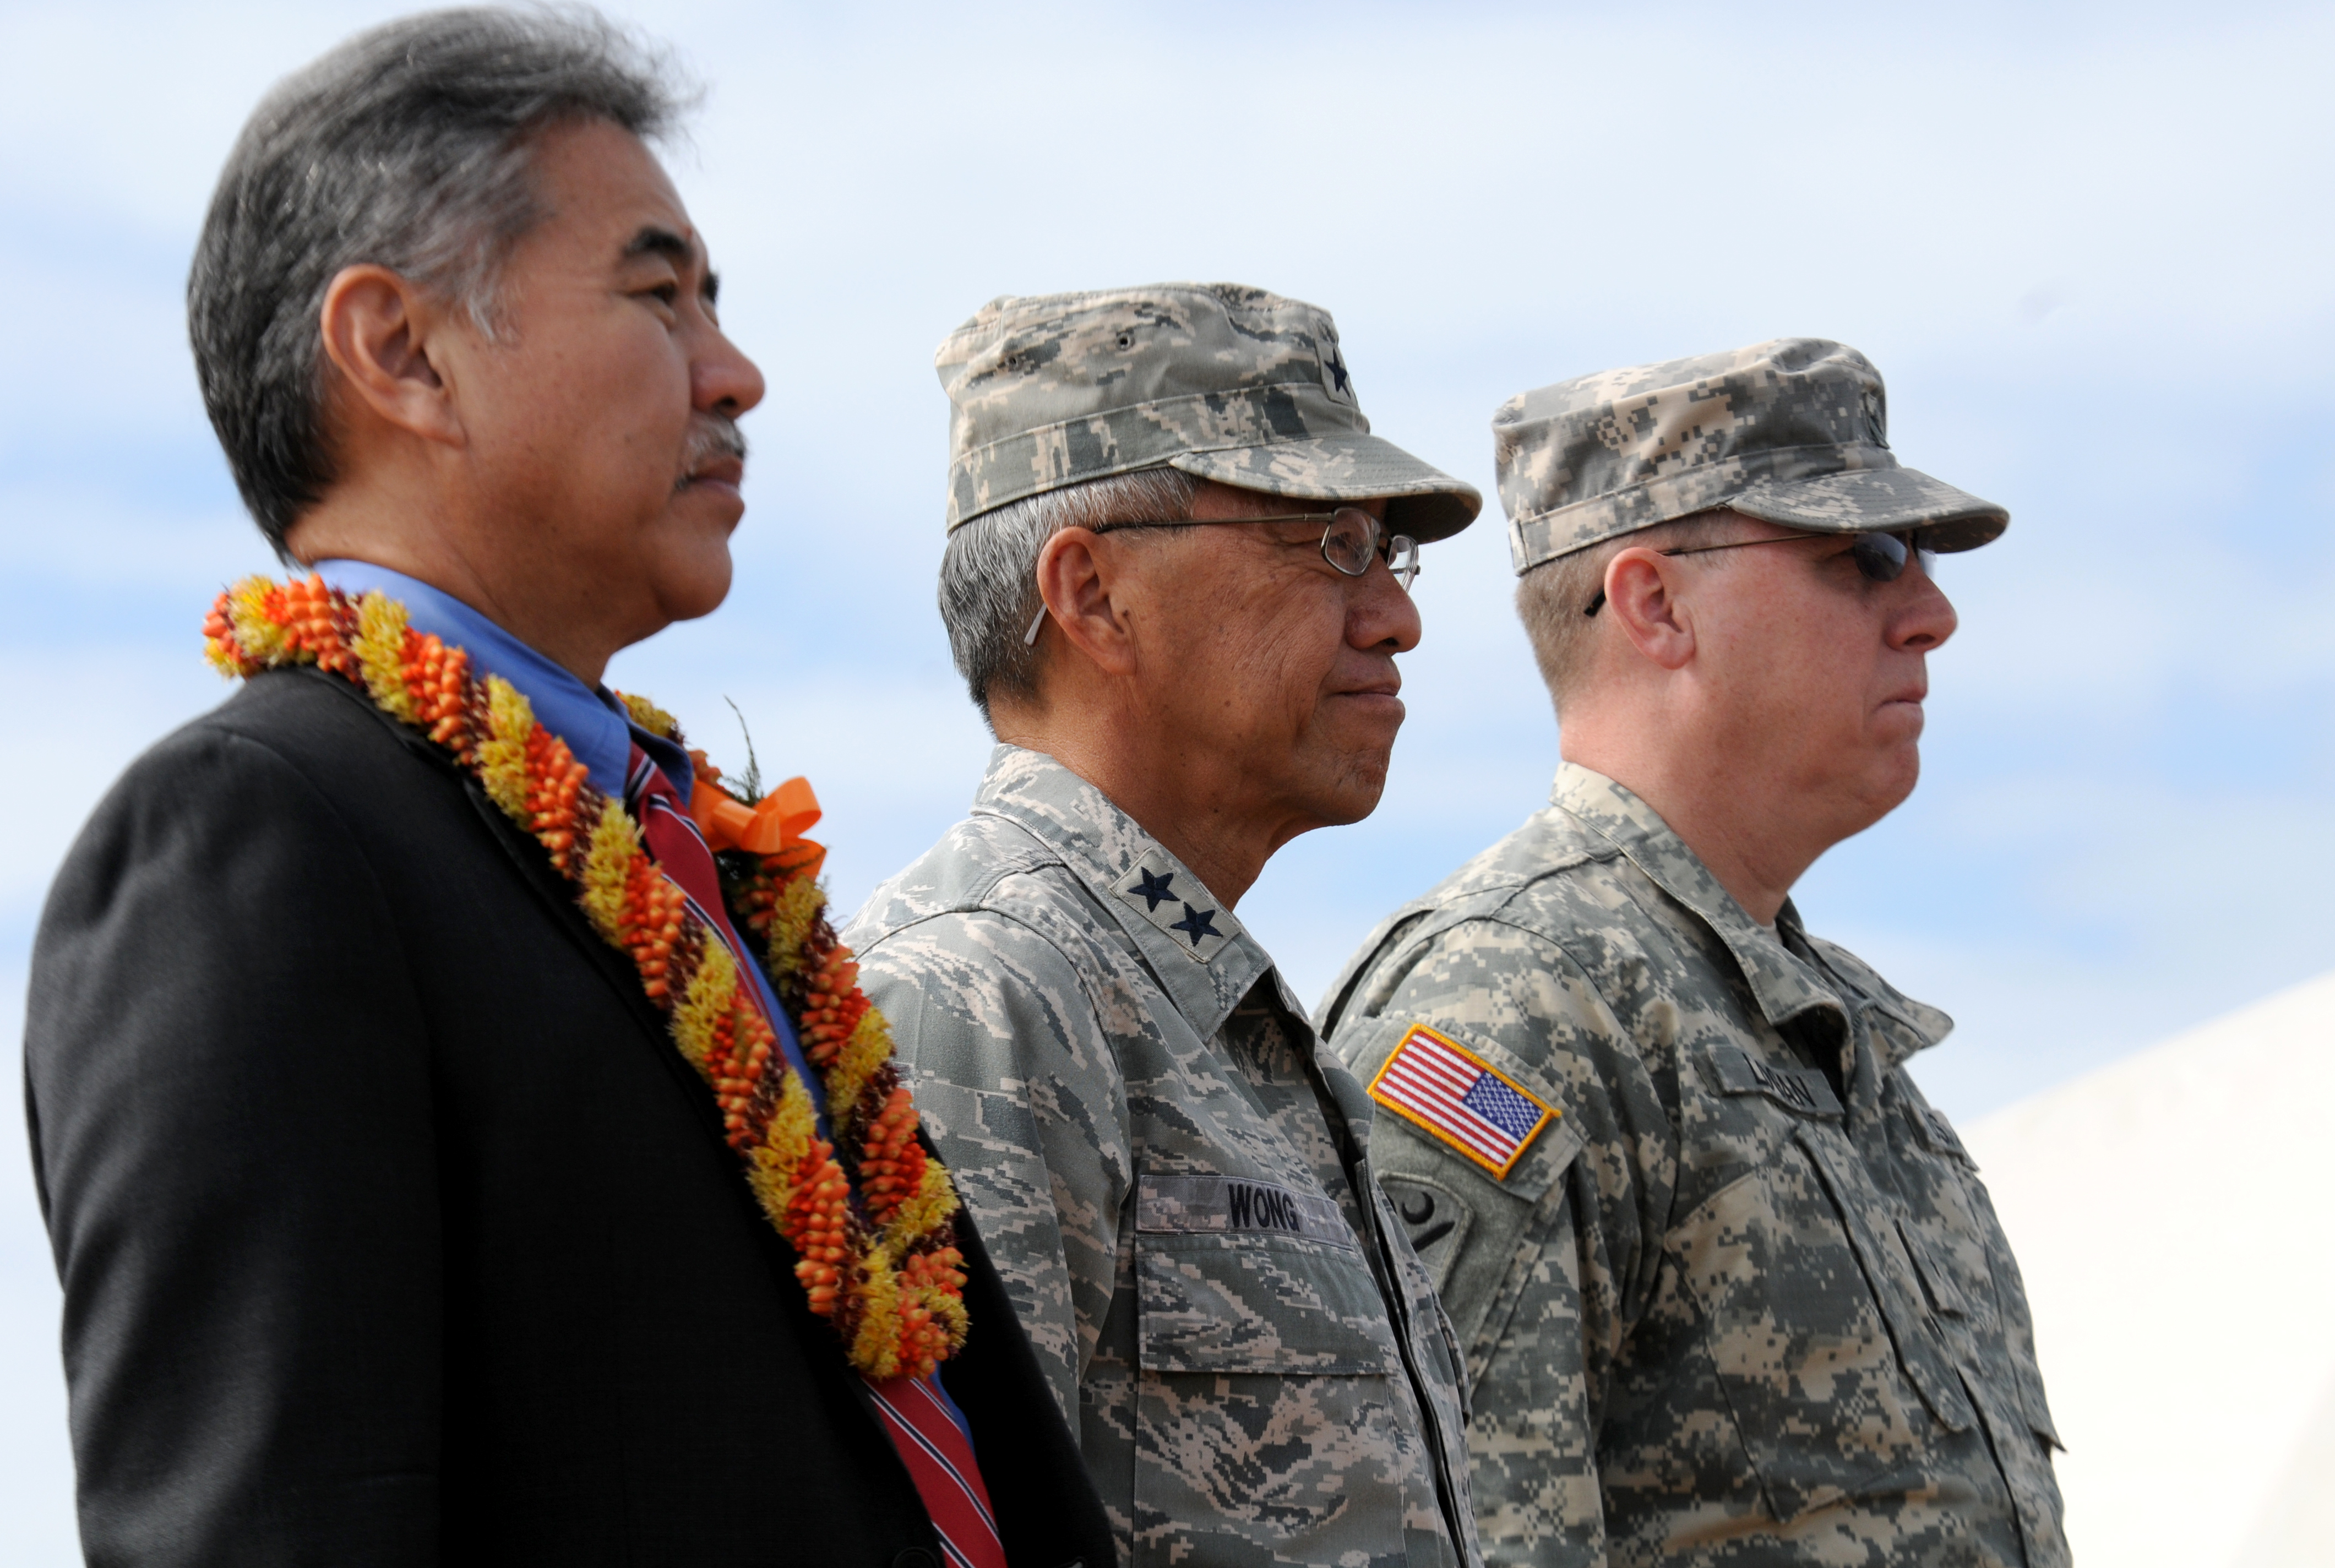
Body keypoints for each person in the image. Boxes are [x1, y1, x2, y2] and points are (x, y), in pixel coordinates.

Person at [23, 12, 1107, 1566]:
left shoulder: (690, 856)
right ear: (402, 352)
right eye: (657, 294)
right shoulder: (252, 839)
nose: (734, 372)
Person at [1318, 340, 2070, 1567]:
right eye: (1863, 558)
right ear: (1656, 604)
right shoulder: (1512, 1003)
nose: (1930, 612)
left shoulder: (1833, 1038)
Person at [843, 284, 1484, 1568]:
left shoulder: (1217, 1025)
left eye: (1386, 550)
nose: (1397, 615)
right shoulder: (982, 997)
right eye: (1327, 542)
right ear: (1091, 595)